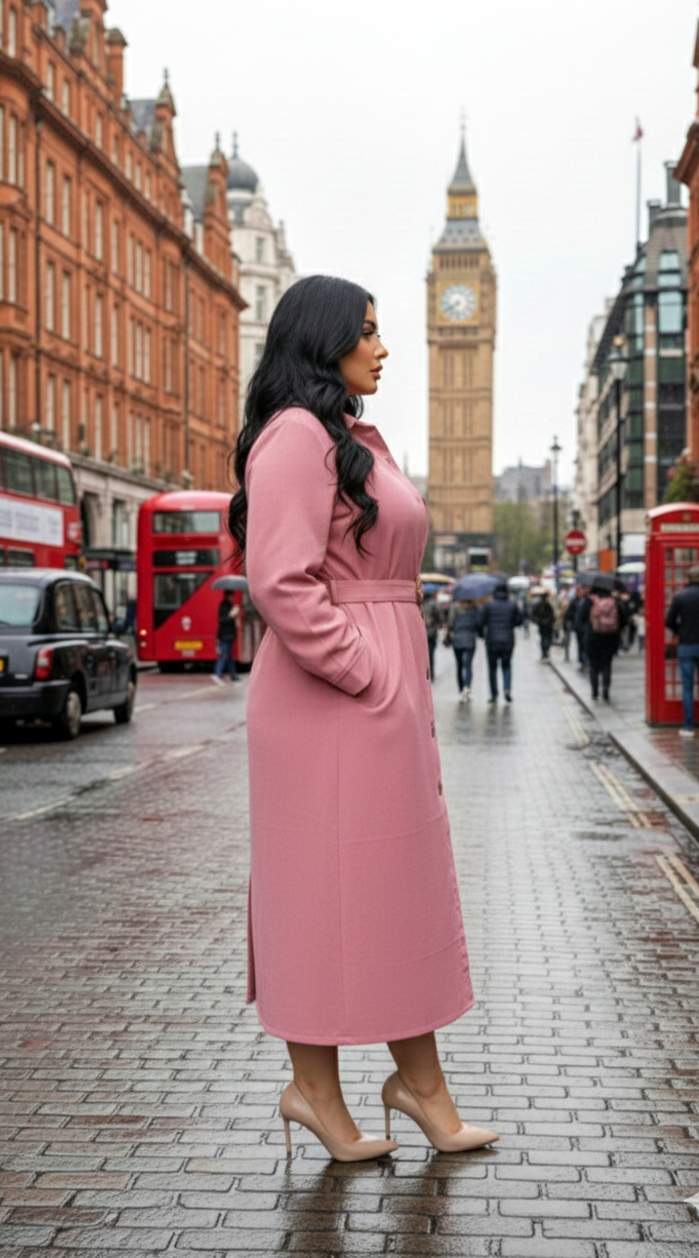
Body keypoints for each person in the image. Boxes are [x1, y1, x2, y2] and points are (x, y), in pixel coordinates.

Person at [229, 275, 497, 1163]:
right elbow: (280, 582)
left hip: (372, 695)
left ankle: (417, 1087)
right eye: (368, 333)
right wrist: (368, 672)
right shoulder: (297, 437)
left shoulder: (345, 435)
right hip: (329, 702)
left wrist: (390, 681)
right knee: (320, 900)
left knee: (395, 897)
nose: (383, 349)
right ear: (325, 339)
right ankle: (318, 1091)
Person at [577, 580, 626, 702]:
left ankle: (594, 692)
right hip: (609, 637)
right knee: (607, 665)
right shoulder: (614, 602)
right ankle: (606, 692)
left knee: (593, 666)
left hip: (592, 637)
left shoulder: (588, 602)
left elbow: (579, 620)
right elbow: (623, 620)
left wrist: (584, 632)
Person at [665, 564, 699, 737]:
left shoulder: (681, 596)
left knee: (687, 687)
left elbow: (669, 620)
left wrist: (681, 630)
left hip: (686, 645)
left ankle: (688, 726)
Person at [476, 580, 523, 703]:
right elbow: (519, 620)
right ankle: (507, 689)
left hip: (492, 641)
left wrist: (482, 635)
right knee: (506, 666)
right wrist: (511, 624)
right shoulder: (512, 605)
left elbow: (480, 622)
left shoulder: (488, 605)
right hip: (508, 640)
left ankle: (494, 694)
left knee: (492, 668)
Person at [446, 599, 477, 700]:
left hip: (457, 639)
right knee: (468, 665)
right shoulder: (473, 608)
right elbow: (478, 623)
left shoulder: (454, 607)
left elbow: (450, 623)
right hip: (470, 639)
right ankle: (467, 686)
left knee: (459, 665)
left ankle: (460, 689)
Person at [213, 595, 240, 683]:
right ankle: (218, 674)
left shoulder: (231, 606)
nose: (233, 598)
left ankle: (233, 675)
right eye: (231, 596)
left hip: (229, 635)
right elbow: (223, 620)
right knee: (224, 655)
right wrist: (232, 615)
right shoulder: (224, 606)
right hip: (224, 636)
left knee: (229, 657)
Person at [422, 592, 443, 682]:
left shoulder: (417, 603)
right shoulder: (434, 604)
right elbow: (440, 618)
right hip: (431, 633)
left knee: (421, 656)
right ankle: (431, 675)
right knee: (430, 655)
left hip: (420, 634)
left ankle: (423, 675)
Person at [531, 590, 555, 661]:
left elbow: (533, 614)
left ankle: (544, 652)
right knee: (547, 638)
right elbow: (552, 615)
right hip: (547, 624)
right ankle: (545, 651)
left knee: (543, 638)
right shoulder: (548, 605)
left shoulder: (539, 605)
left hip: (542, 624)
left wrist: (537, 621)